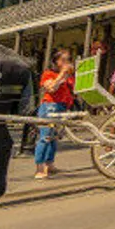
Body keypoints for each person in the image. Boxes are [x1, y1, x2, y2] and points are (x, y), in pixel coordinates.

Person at [35, 48, 76, 179]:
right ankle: (39, 168)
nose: (66, 63)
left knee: (54, 138)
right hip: (49, 107)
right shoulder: (48, 74)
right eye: (63, 60)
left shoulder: (69, 77)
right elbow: (51, 88)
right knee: (45, 137)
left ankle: (49, 164)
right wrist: (61, 75)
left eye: (68, 60)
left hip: (62, 107)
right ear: (56, 61)